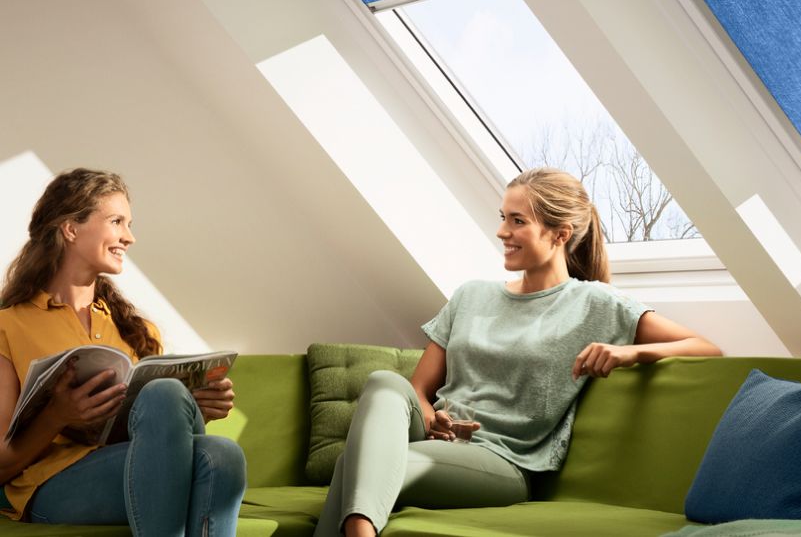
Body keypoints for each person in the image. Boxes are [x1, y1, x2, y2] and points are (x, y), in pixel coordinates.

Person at [314, 167, 722, 537]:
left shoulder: (595, 304)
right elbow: (418, 390)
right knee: (383, 381)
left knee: (358, 465)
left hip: (501, 461)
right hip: (431, 438)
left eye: (517, 221)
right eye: (502, 218)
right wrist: (428, 412)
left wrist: (629, 353)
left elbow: (706, 348)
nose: (502, 232)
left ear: (560, 234)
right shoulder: (470, 295)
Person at [0, 168, 246, 535]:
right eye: (117, 221)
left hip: (138, 464)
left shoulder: (138, 331)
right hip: (50, 484)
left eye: (128, 224)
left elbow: (159, 437)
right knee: (216, 454)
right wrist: (57, 415)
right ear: (71, 228)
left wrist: (198, 405)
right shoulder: (9, 325)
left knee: (222, 452)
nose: (129, 238)